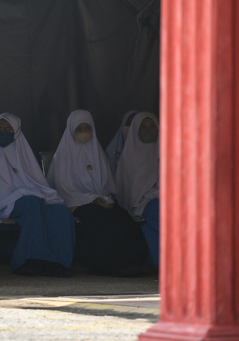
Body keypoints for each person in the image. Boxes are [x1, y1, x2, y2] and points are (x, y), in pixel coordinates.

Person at [0, 113, 75, 276]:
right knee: (32, 204)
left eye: (8, 129)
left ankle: (57, 262)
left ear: (16, 132)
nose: (3, 132)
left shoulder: (23, 154)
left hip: (23, 199)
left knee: (61, 212)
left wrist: (30, 193)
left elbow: (35, 181)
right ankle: (27, 261)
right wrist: (20, 194)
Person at [47, 110, 150, 276]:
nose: (83, 132)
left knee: (122, 217)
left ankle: (130, 262)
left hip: (99, 201)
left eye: (87, 128)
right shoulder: (63, 156)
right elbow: (64, 188)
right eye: (79, 128)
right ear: (71, 130)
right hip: (76, 203)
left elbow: (107, 183)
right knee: (100, 219)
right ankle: (106, 265)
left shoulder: (98, 152)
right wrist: (92, 199)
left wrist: (105, 198)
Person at [115, 112, 160, 268]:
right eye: (144, 127)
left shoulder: (168, 152)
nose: (148, 129)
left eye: (152, 126)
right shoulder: (130, 156)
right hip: (142, 203)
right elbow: (131, 191)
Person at [105, 110, 138, 177]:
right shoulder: (111, 152)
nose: (131, 127)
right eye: (129, 123)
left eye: (135, 124)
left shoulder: (151, 152)